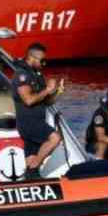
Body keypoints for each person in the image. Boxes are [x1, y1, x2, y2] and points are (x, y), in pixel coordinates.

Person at [12, 42, 62, 179]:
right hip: (28, 122)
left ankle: (31, 176)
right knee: (55, 138)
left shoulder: (36, 75)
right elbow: (28, 100)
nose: (44, 64)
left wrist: (56, 92)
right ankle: (32, 169)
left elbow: (47, 101)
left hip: (38, 119)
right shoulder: (22, 75)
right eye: (42, 60)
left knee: (32, 162)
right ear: (33, 57)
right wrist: (47, 89)